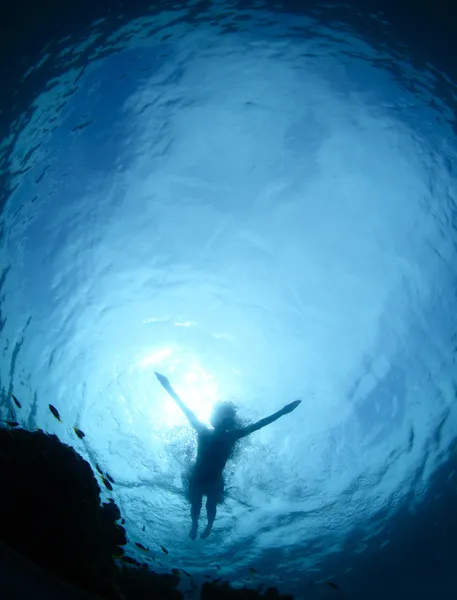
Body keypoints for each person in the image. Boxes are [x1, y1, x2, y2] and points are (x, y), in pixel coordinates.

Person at [154, 371, 301, 540]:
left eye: (230, 416)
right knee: (196, 503)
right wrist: (167, 386)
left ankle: (209, 525)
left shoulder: (234, 435)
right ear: (215, 419)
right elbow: (184, 407)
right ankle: (194, 523)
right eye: (224, 415)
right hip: (197, 476)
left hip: (215, 480)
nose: (227, 418)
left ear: (233, 420)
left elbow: (261, 424)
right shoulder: (202, 430)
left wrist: (283, 411)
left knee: (211, 505)